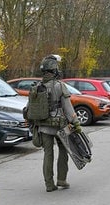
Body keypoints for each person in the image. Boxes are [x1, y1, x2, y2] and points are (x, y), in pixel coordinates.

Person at [35, 54, 81, 192]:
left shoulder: (37, 86)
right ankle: (62, 180)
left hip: (43, 126)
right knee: (63, 151)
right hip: (60, 126)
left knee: (48, 154)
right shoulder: (60, 86)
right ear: (54, 70)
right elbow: (68, 107)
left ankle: (49, 184)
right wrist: (76, 123)